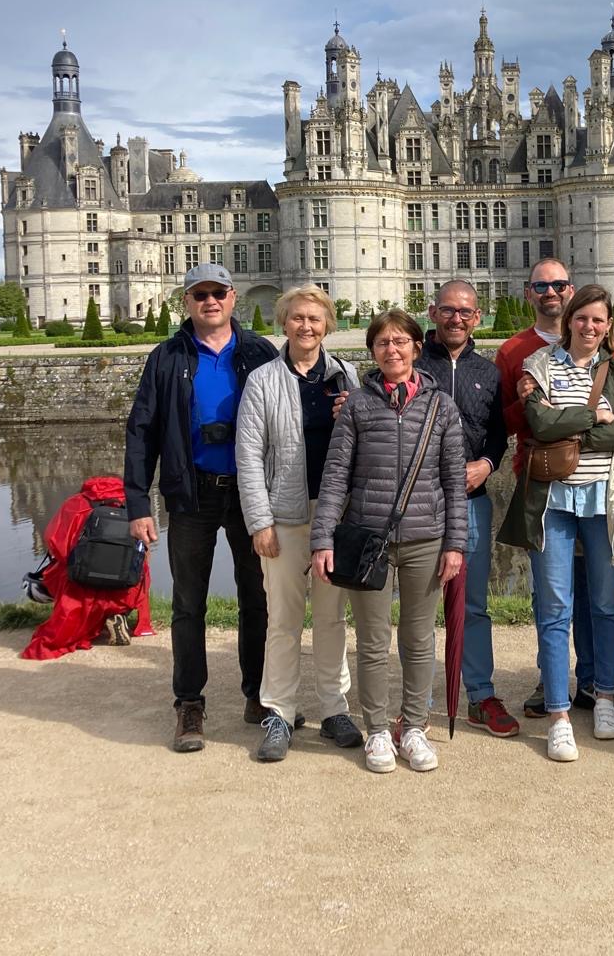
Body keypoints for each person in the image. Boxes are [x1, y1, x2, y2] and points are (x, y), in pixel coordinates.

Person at [124, 263, 277, 753]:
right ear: (186, 301)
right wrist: (138, 504)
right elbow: (141, 431)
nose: (210, 301)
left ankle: (258, 693)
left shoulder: (258, 352)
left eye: (217, 293)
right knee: (189, 602)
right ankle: (189, 702)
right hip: (191, 492)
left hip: (250, 493)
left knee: (257, 597)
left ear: (232, 298)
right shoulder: (167, 356)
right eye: (199, 294)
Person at [309, 309, 468, 774]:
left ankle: (413, 726)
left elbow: (454, 482)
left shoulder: (441, 406)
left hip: (424, 537)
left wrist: (455, 543)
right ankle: (377, 728)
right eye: (382, 343)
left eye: (400, 341)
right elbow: (335, 476)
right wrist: (322, 538)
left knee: (418, 639)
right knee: (373, 640)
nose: (391, 350)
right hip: (368, 539)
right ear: (373, 351)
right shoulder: (358, 405)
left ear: (417, 347)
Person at [501, 285, 614, 761]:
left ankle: (603, 695)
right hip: (553, 502)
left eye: (598, 320)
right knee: (555, 607)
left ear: (608, 326)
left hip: (604, 501)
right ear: (569, 321)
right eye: (582, 318)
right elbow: (539, 427)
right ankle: (559, 713)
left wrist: (571, 425)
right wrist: (594, 416)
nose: (589, 327)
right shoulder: (539, 365)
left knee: (606, 604)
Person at [234, 286, 361, 762]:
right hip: (284, 518)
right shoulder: (263, 380)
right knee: (283, 620)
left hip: (334, 516)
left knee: (331, 618)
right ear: (283, 322)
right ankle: (280, 712)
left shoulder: (346, 375)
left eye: (315, 318)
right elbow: (248, 456)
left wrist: (353, 415)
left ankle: (334, 708)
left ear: (328, 325)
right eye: (297, 318)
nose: (306, 326)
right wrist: (259, 522)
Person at [414, 279, 515, 737]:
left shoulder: (488, 373)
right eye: (448, 310)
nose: (456, 319)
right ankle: (418, 702)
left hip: (472, 500)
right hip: (419, 502)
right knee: (419, 605)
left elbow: (498, 434)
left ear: (477, 317)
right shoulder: (412, 364)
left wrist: (487, 464)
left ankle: (479, 693)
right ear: (433, 312)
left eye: (465, 312)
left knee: (473, 603)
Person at [20, 474, 154, 661]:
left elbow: (55, 543)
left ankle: (90, 621)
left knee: (60, 571)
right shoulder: (134, 506)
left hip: (83, 586)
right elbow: (145, 549)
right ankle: (118, 613)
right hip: (124, 588)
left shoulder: (75, 504)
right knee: (141, 569)